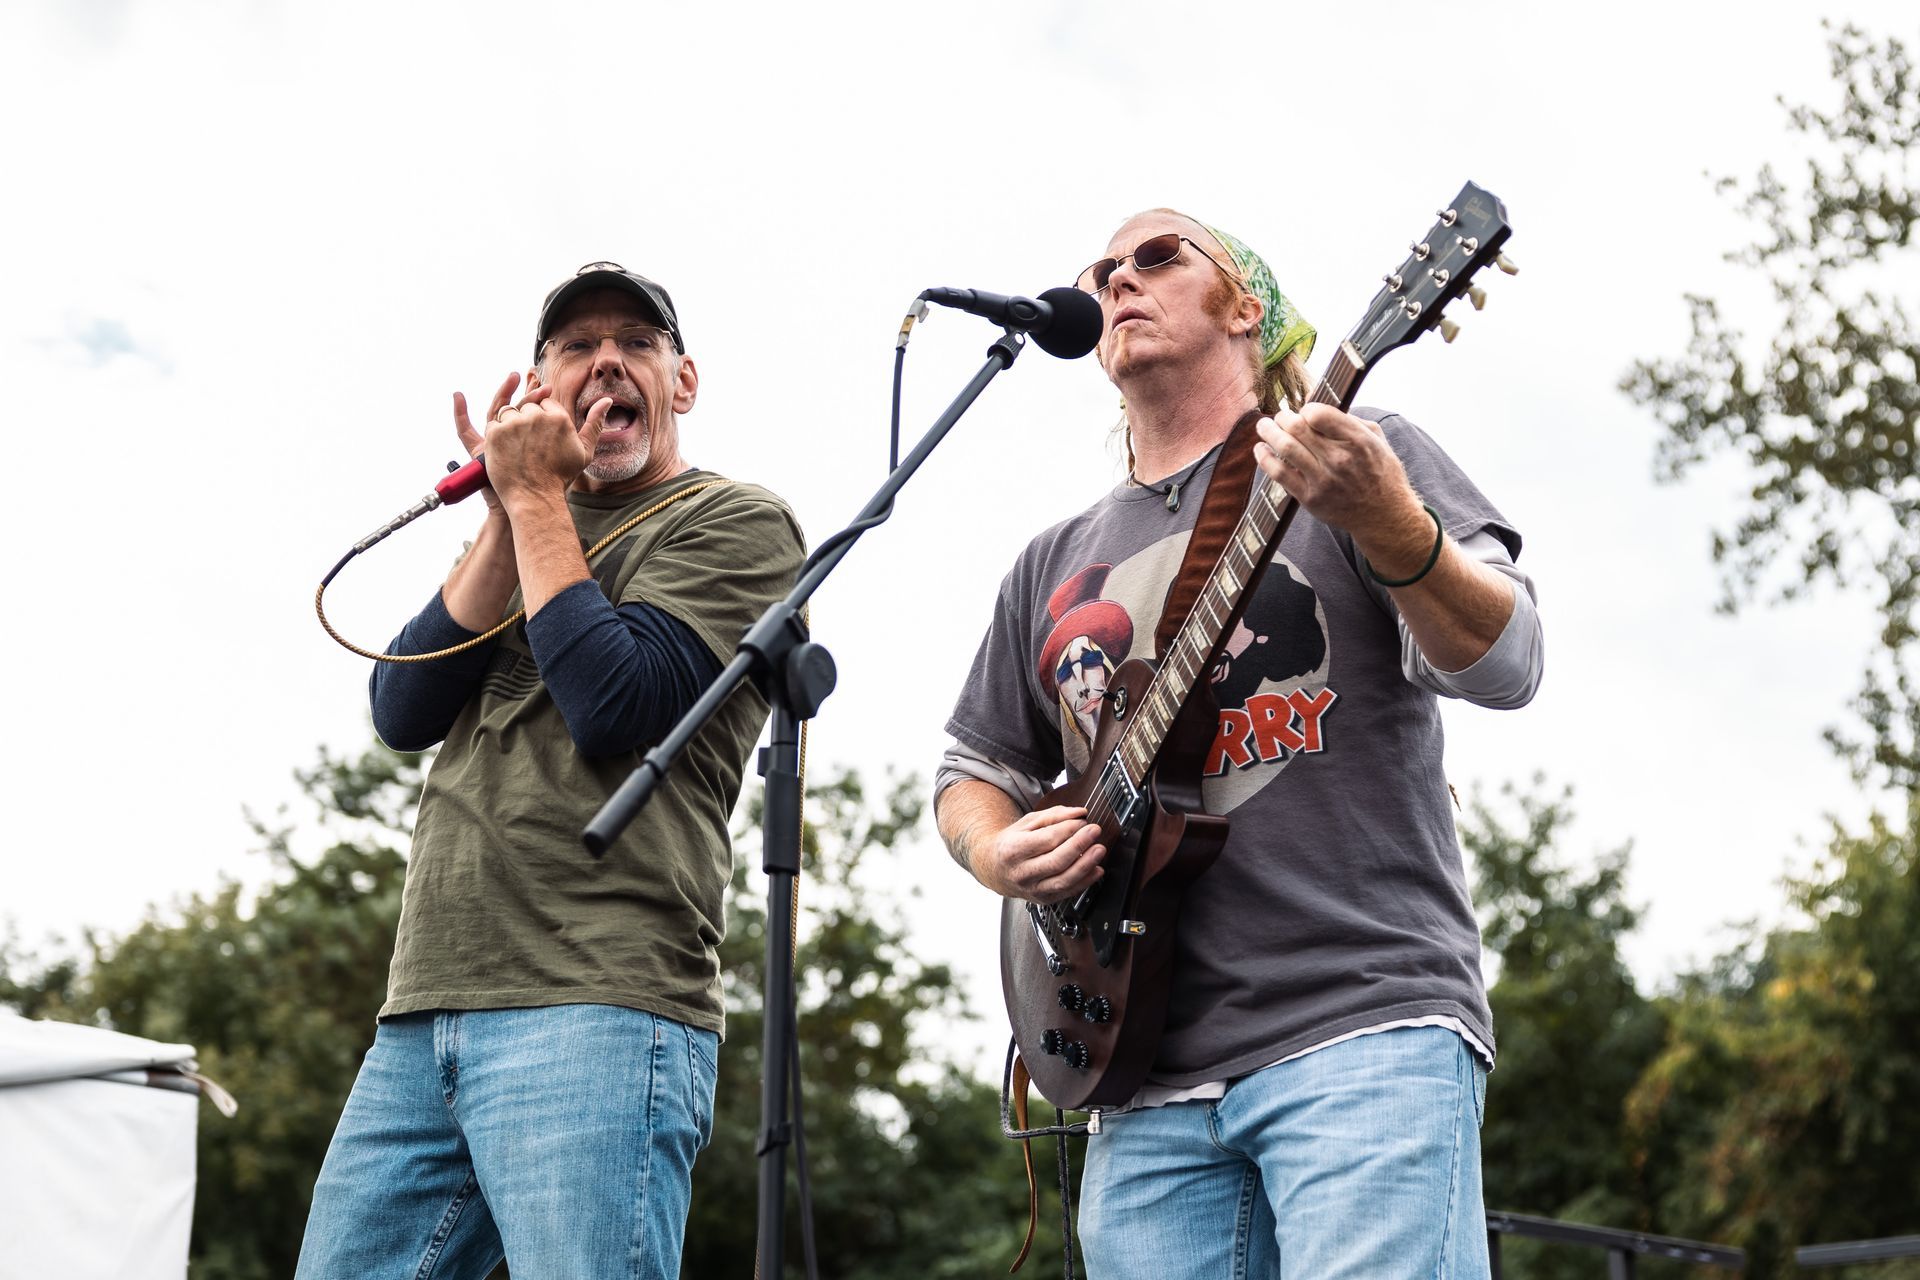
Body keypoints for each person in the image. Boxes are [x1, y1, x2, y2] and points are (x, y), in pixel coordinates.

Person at [935, 211, 1544, 1278]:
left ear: (1247, 307)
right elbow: (973, 768)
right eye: (1103, 267)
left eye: (1160, 255)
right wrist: (997, 852)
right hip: (1143, 1076)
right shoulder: (1052, 561)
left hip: (1363, 1026)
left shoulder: (1366, 452)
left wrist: (1392, 525)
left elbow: (1509, 662)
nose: (1119, 275)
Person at [296, 262, 805, 1279]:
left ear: (684, 382)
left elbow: (612, 702)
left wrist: (531, 494)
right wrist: (504, 507)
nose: (604, 361)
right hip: (425, 1007)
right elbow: (403, 708)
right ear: (537, 386)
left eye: (635, 343)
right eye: (575, 347)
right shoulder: (526, 527)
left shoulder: (738, 522)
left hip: (596, 1002)